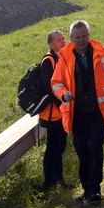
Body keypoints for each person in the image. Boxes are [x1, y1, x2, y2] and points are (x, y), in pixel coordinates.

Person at [50, 20, 104, 202]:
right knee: (82, 149)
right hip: (77, 114)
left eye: (84, 36)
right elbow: (56, 83)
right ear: (71, 39)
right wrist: (63, 94)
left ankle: (94, 189)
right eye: (77, 37)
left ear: (88, 36)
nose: (81, 40)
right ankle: (86, 188)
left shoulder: (102, 53)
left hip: (99, 111)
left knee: (94, 146)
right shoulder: (65, 57)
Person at [39, 29, 68, 189]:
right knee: (52, 148)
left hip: (61, 111)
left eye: (63, 38)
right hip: (52, 113)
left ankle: (59, 179)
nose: (63, 41)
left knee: (61, 146)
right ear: (51, 44)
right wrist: (63, 104)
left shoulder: (62, 58)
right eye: (58, 40)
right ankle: (49, 183)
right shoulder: (49, 60)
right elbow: (48, 88)